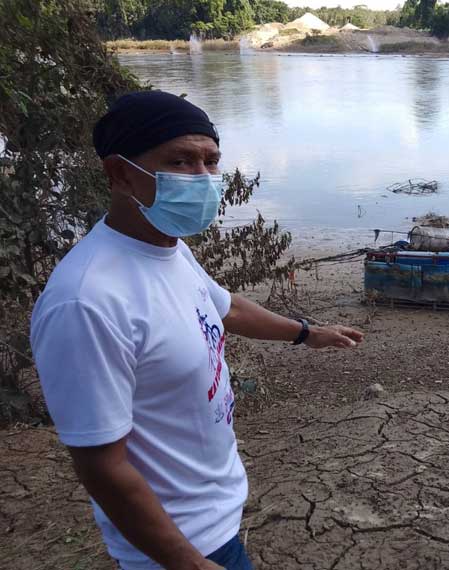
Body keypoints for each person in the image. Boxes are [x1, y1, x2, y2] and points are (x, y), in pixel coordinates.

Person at [30, 90, 364, 570]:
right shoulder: (87, 302)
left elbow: (228, 309)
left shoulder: (167, 249)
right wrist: (189, 563)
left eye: (211, 161)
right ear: (120, 173)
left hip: (215, 516)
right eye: (180, 161)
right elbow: (102, 467)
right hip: (182, 546)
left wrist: (307, 333)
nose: (204, 178)